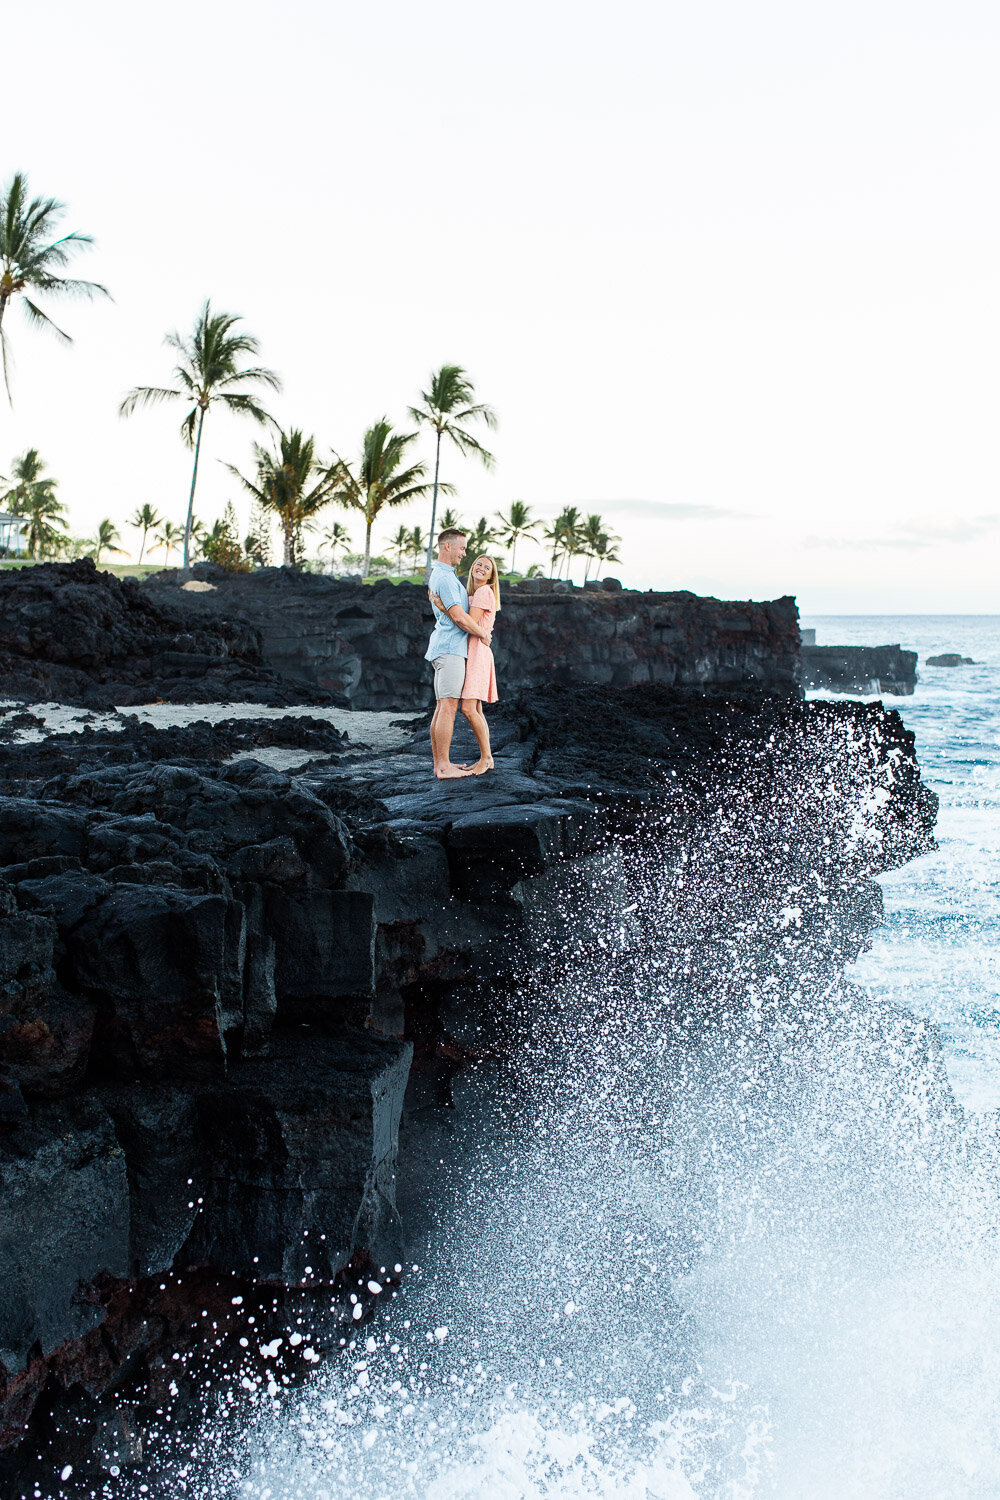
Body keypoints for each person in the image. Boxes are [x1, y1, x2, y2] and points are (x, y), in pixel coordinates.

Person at [425, 528, 493, 778]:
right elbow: (459, 618)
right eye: (462, 548)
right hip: (451, 650)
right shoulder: (444, 577)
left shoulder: (446, 577)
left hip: (446, 648)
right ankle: (443, 766)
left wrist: (442, 605)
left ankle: (441, 764)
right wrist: (484, 634)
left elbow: (453, 612)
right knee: (448, 707)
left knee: (443, 707)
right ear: (447, 547)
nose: (464, 553)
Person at [458, 555, 500, 774]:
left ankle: (486, 757)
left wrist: (440, 604)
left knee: (467, 708)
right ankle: (486, 758)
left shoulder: (484, 592)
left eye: (487, 567)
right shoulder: (473, 594)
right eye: (479, 564)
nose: (482, 568)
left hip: (477, 653)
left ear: (492, 576)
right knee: (475, 709)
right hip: (475, 651)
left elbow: (467, 622)